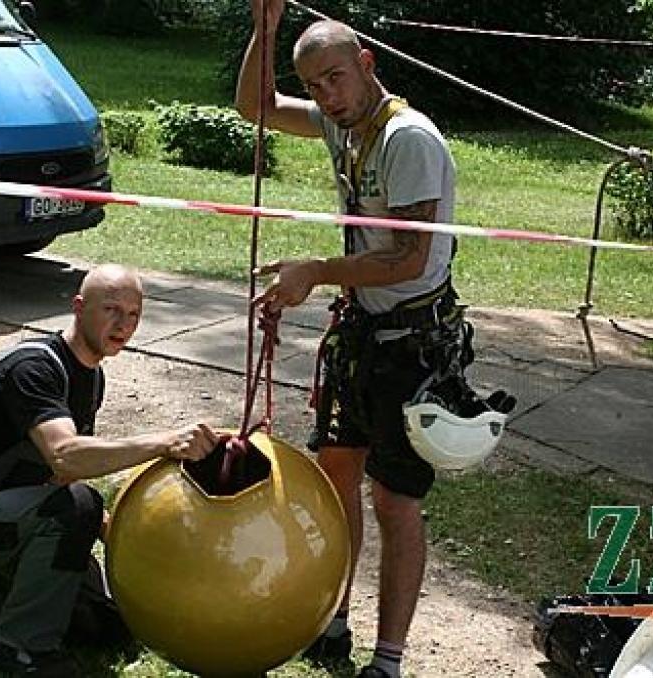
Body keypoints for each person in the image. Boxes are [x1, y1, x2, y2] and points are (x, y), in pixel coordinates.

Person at [236, 4, 464, 676]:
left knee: (395, 500)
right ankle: (335, 620)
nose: (326, 95)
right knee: (336, 481)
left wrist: (317, 272)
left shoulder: (407, 139)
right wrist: (265, 28)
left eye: (335, 78)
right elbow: (254, 105)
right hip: (362, 335)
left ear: (367, 65)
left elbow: (409, 261)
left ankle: (387, 661)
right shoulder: (341, 126)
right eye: (314, 85)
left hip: (413, 344)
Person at [0, 264, 219, 677]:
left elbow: (64, 472)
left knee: (106, 628)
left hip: (3, 514)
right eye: (111, 309)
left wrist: (129, 537)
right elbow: (67, 458)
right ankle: (22, 648)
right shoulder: (33, 368)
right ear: (78, 307)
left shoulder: (92, 378)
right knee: (75, 508)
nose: (122, 324)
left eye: (133, 315)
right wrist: (165, 442)